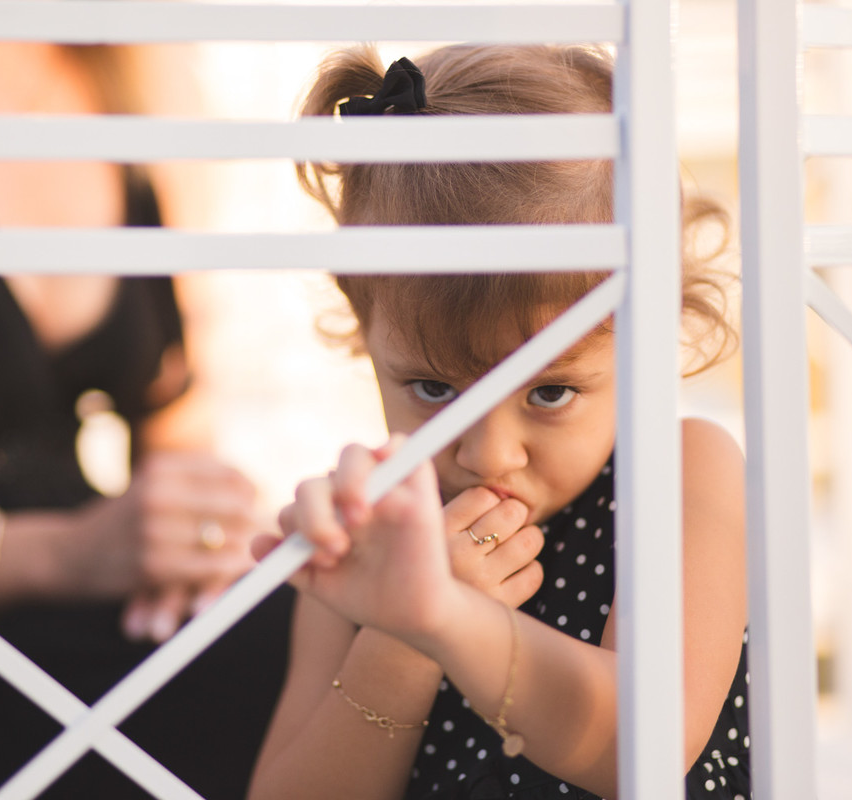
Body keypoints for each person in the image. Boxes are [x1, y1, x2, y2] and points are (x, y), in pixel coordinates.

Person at [247, 44, 748, 800]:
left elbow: (640, 752)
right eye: (432, 386)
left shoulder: (682, 471)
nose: (488, 454)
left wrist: (445, 617)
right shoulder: (365, 528)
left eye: (548, 393)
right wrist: (398, 643)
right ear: (365, 332)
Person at [0, 40, 291, 798]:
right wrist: (58, 555)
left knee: (323, 640)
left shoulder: (148, 83)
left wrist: (193, 544)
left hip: (83, 623)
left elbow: (178, 430)